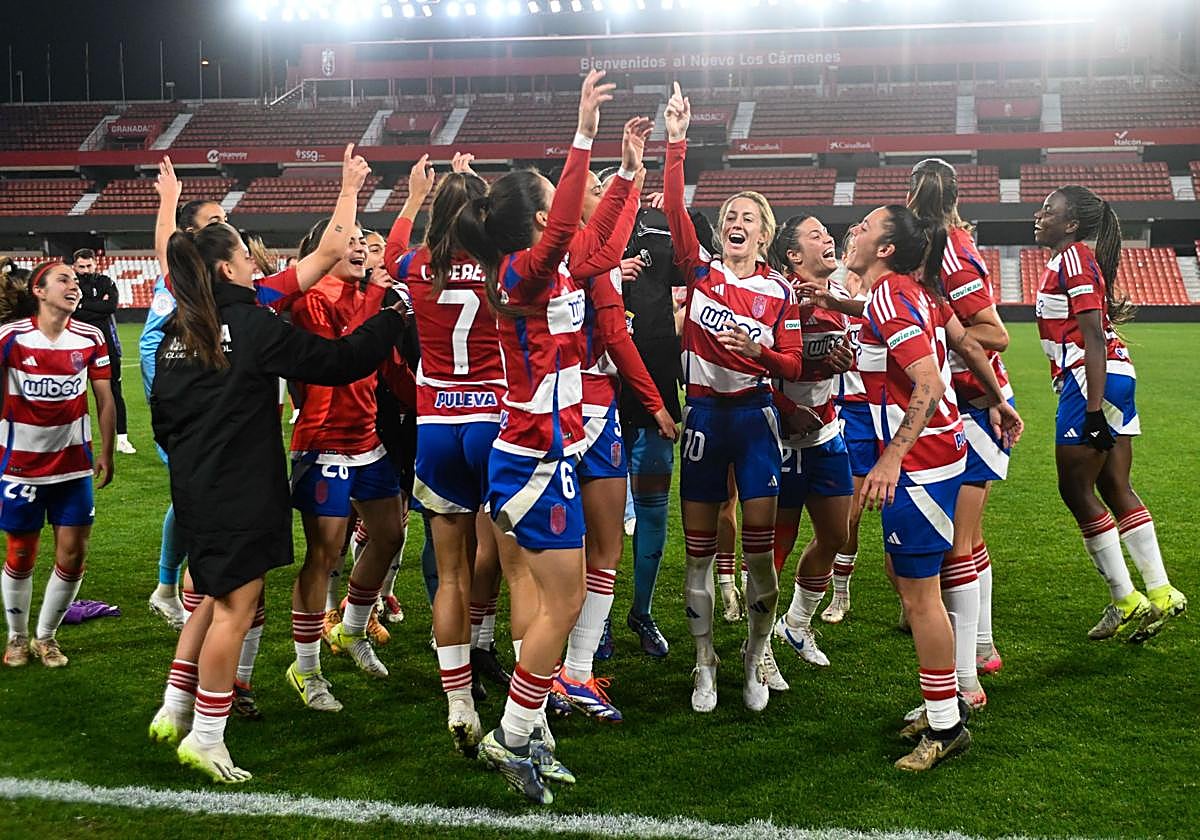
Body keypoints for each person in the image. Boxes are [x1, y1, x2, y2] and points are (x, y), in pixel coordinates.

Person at [146, 205, 406, 783]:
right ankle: (207, 738)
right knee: (236, 610)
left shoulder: (172, 331)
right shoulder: (253, 324)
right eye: (243, 256)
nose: (252, 263)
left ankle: (175, 705)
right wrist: (389, 318)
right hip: (241, 487)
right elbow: (337, 363)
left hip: (195, 485)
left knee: (213, 597)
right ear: (224, 270)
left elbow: (162, 415)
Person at [453, 69, 613, 804]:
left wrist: (632, 178)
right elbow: (562, 235)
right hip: (537, 458)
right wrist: (582, 132)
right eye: (553, 199)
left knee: (548, 599)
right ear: (532, 222)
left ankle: (529, 728)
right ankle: (513, 735)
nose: (565, 207)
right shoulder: (521, 269)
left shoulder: (537, 271)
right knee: (567, 604)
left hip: (547, 454)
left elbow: (593, 246)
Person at [849, 204, 1020, 771]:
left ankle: (946, 726)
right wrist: (997, 401)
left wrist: (891, 459)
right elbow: (966, 346)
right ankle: (940, 702)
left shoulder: (890, 295)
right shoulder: (912, 292)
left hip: (920, 464)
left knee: (920, 597)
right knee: (916, 586)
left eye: (866, 227)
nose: (855, 231)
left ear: (886, 249)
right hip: (943, 452)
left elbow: (925, 378)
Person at [663, 82, 803, 714]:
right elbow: (672, 210)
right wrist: (675, 142)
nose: (734, 223)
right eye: (729, 217)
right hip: (703, 419)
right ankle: (704, 664)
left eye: (747, 217)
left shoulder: (781, 292)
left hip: (753, 419)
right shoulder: (701, 272)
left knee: (758, 553)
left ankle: (753, 657)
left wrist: (761, 357)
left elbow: (793, 363)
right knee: (696, 555)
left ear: (765, 233)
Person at [553, 120, 677, 723]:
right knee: (586, 554)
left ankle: (552, 670)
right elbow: (616, 340)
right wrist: (655, 403)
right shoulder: (588, 266)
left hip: (543, 413)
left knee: (549, 557)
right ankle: (565, 672)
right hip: (584, 413)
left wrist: (631, 172)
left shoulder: (543, 265)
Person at [1033, 185, 1186, 641]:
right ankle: (1160, 592)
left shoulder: (1074, 259)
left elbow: (1094, 336)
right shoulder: (1071, 259)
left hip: (1091, 379)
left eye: (1049, 211)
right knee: (1114, 485)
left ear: (1072, 224)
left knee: (1075, 489)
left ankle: (1125, 597)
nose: (1039, 216)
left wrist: (1094, 410)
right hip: (1111, 376)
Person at [386, 151, 501, 755]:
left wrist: (413, 196)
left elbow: (391, 247)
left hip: (436, 425)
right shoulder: (502, 266)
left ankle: (457, 699)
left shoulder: (414, 266)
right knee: (510, 559)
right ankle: (500, 662)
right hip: (493, 420)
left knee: (449, 569)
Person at [286, 214, 410, 708]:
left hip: (366, 438)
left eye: (364, 242)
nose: (360, 248)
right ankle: (307, 668)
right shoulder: (309, 300)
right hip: (321, 441)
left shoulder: (373, 295)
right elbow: (339, 353)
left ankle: (352, 628)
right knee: (324, 552)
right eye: (350, 241)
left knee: (389, 534)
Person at [908, 158, 1014, 698]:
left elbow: (994, 334)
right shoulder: (940, 243)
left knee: (959, 547)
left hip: (975, 406)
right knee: (966, 542)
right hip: (973, 402)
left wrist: (938, 339)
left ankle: (967, 679)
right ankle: (983, 648)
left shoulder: (949, 251)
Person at [0, 261, 115, 668]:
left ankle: (45, 638)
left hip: (73, 466)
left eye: (77, 280)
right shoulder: (10, 338)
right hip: (20, 467)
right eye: (64, 279)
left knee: (72, 555)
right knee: (21, 553)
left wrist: (106, 451)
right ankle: (16, 638)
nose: (75, 285)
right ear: (39, 290)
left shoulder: (91, 336)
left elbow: (103, 397)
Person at [767, 215, 856, 670]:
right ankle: (759, 645)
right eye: (816, 235)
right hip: (778, 442)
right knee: (773, 548)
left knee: (837, 536)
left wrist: (843, 360)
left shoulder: (840, 298)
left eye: (828, 233)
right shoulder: (775, 298)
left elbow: (827, 364)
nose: (830, 239)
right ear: (793, 256)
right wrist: (786, 410)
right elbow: (749, 371)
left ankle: (796, 625)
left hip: (825, 435)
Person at [70, 249, 134, 455]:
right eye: (81, 267)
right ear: (74, 267)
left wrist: (82, 305)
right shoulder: (70, 285)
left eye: (89, 266)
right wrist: (97, 307)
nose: (85, 270)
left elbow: (110, 306)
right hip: (76, 346)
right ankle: (73, 440)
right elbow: (72, 310)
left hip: (107, 346)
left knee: (114, 391)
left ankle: (122, 439)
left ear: (95, 264)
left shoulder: (106, 281)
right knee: (73, 393)